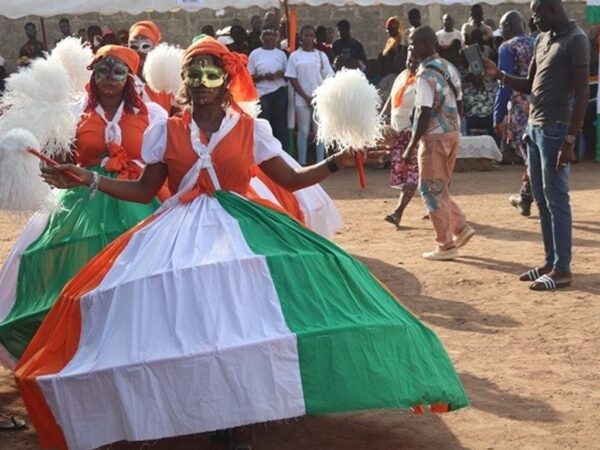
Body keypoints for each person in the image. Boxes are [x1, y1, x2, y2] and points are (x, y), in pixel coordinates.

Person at [17, 36, 468, 450]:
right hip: (177, 233)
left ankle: (235, 421)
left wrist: (336, 161)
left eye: (210, 73)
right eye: (192, 75)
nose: (200, 83)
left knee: (238, 324)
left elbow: (289, 178)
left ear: (227, 79)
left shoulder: (252, 130)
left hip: (240, 231)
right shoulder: (166, 131)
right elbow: (142, 190)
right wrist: (88, 179)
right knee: (187, 322)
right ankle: (190, 407)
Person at [0, 46, 167, 369]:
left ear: (130, 78)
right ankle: (82, 347)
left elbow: (162, 161)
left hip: (135, 195)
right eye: (101, 71)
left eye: (118, 72)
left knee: (136, 272)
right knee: (77, 273)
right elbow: (64, 159)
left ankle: (135, 346)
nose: (109, 79)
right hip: (82, 199)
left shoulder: (154, 115)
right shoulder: (76, 112)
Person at [484, 0, 589, 290]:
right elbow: (530, 84)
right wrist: (500, 76)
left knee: (557, 200)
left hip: (557, 131)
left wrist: (570, 139)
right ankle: (550, 262)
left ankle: (563, 270)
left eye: (536, 15)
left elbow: (582, 93)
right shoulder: (543, 39)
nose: (534, 22)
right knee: (542, 200)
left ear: (551, 9)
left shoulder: (576, 40)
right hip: (535, 128)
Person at [404, 26, 475, 260]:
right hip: (452, 133)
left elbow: (423, 112)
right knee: (439, 187)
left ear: (426, 44)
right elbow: (461, 104)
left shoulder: (425, 75)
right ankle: (460, 228)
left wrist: (411, 145)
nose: (411, 47)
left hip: (434, 138)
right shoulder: (448, 67)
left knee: (430, 190)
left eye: (414, 43)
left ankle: (445, 245)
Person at [493, 11, 535, 215]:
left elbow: (504, 84)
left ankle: (543, 204)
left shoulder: (507, 48)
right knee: (536, 154)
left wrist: (498, 115)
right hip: (540, 105)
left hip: (520, 109)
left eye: (502, 27)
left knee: (531, 158)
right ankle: (525, 198)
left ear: (508, 26)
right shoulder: (537, 43)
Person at [285, 25, 334, 165]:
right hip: (302, 99)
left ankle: (320, 161)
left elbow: (329, 76)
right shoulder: (295, 56)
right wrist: (305, 96)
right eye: (306, 35)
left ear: (314, 38)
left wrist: (320, 96)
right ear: (301, 37)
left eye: (311, 35)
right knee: (303, 131)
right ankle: (302, 162)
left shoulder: (321, 55)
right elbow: (292, 78)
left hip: (320, 99)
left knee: (320, 131)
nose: (309, 38)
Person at [384, 57, 419, 228]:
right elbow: (390, 101)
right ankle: (439, 208)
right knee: (411, 175)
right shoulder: (402, 76)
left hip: (415, 134)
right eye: (410, 59)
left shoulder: (424, 80)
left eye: (417, 59)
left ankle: (398, 212)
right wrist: (383, 120)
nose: (412, 62)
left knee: (412, 174)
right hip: (399, 134)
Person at [248, 27, 288, 150]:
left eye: (272, 35)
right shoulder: (255, 54)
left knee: (280, 124)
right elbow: (250, 76)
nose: (269, 38)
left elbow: (288, 74)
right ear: (261, 38)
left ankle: (282, 151)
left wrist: (280, 74)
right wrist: (264, 77)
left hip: (279, 91)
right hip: (262, 93)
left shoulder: (281, 54)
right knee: (264, 124)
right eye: (266, 35)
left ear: (276, 38)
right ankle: (265, 151)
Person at [128, 21, 173, 113]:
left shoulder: (165, 80)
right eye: (134, 47)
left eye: (145, 46)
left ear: (155, 48)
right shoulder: (123, 78)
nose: (139, 52)